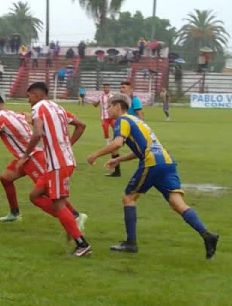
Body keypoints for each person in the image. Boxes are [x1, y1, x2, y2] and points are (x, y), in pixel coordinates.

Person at [87, 96, 219, 258]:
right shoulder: (137, 121)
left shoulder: (122, 120)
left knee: (128, 198)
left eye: (109, 106)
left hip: (152, 163)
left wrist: (95, 155)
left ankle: (131, 243)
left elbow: (117, 144)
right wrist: (118, 159)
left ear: (117, 106)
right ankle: (207, 235)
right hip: (167, 162)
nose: (107, 110)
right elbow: (142, 148)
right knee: (177, 203)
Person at [0, 94, 87, 225]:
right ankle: (14, 213)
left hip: (33, 157)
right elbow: (30, 118)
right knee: (5, 179)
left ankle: (75, 216)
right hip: (23, 158)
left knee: (48, 190)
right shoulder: (13, 113)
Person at [18, 82, 92, 257]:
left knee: (59, 205)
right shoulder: (58, 107)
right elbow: (81, 125)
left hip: (58, 164)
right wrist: (67, 145)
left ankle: (82, 243)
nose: (28, 100)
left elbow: (36, 133)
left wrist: (24, 156)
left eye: (29, 96)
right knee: (35, 196)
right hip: (61, 161)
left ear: (35, 95)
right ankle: (71, 221)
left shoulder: (38, 108)